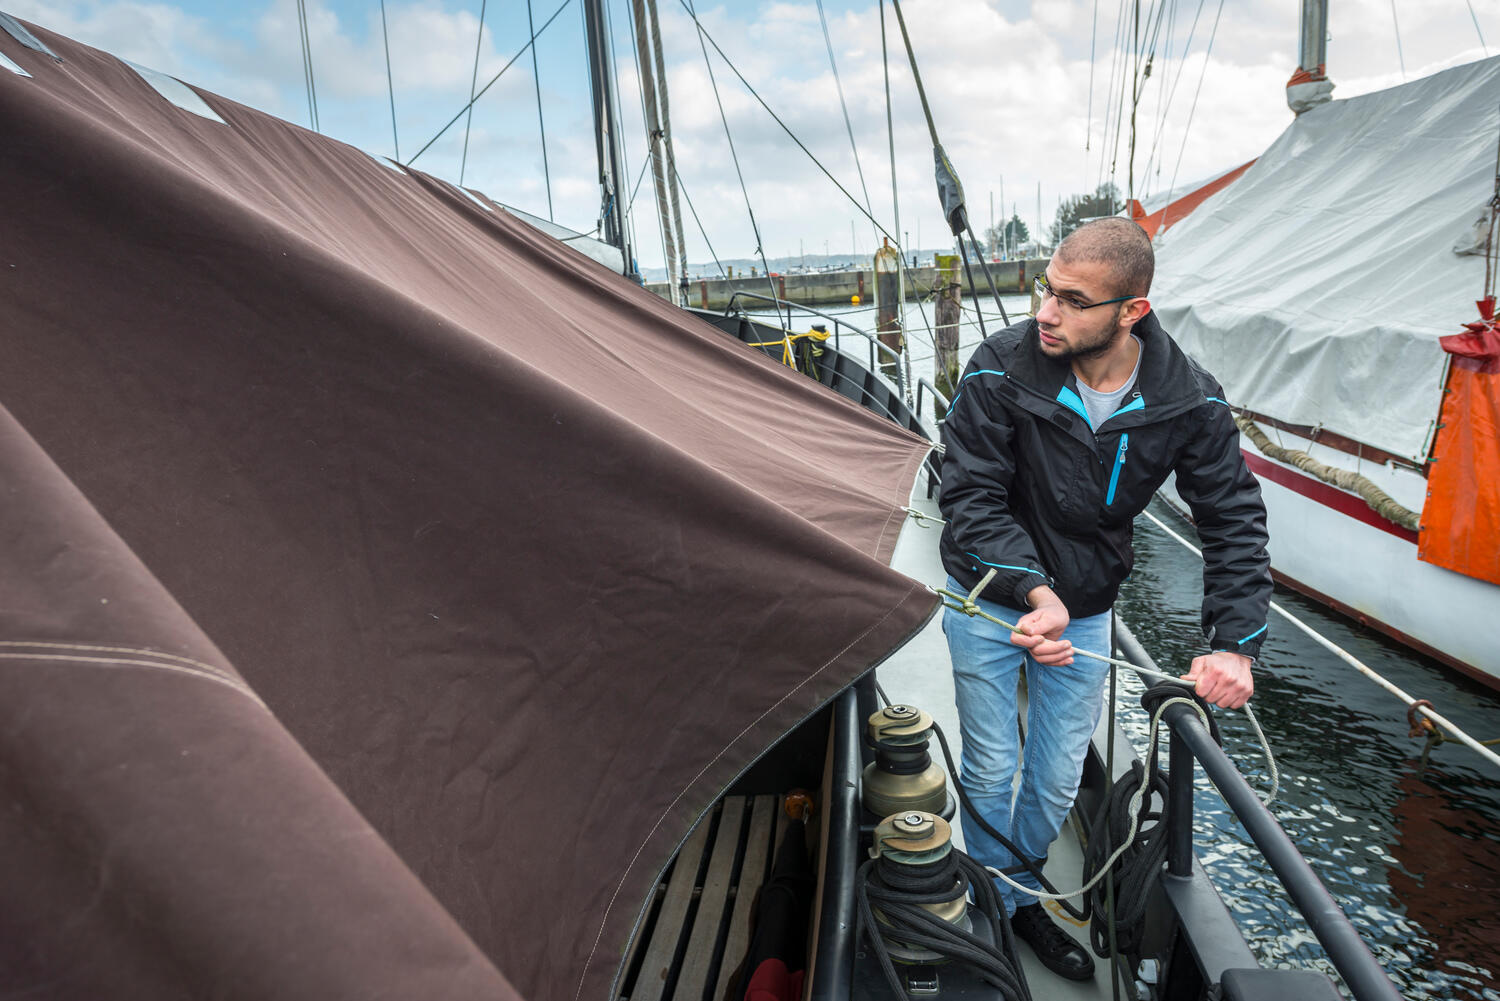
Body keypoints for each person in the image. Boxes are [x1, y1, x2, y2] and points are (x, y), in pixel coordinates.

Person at [937, 218, 1272, 981]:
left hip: (1085, 606)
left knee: (1057, 775)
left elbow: (1232, 517)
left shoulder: (1186, 399)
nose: (1045, 312)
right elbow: (971, 495)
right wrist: (1034, 589)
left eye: (1072, 300)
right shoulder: (998, 367)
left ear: (1132, 311)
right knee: (990, 765)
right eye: (1046, 289)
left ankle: (1016, 891)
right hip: (986, 593)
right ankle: (995, 902)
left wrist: (1233, 643)